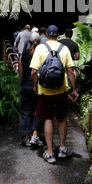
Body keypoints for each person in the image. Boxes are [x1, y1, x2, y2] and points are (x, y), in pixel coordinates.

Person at [30, 25, 78, 164]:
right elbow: (71, 71)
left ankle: (50, 153)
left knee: (48, 118)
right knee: (62, 118)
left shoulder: (40, 48)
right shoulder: (64, 49)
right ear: (58, 36)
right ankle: (62, 149)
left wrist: (35, 85)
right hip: (61, 89)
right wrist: (74, 89)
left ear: (46, 35)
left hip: (45, 90)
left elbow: (34, 71)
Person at [18, 32, 43, 147]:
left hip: (24, 84)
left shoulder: (25, 52)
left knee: (25, 111)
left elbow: (20, 66)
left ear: (29, 41)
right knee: (36, 111)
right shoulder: (41, 53)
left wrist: (21, 80)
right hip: (36, 86)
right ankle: (35, 135)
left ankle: (26, 138)